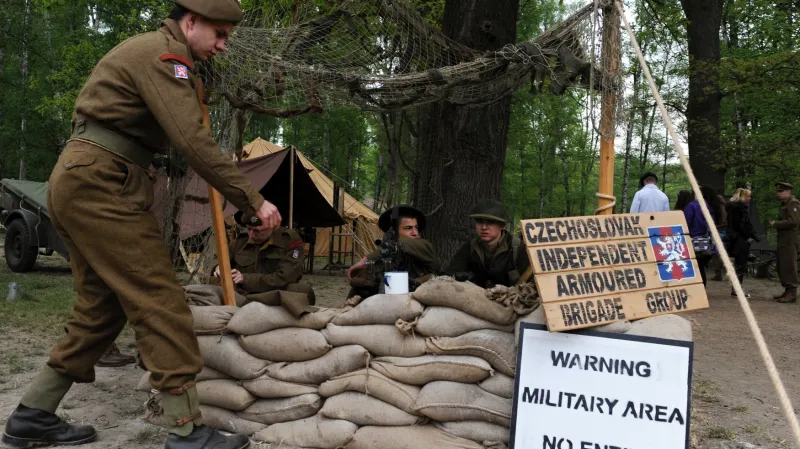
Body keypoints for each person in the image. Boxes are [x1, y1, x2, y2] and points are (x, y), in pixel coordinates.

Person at [2, 1, 279, 448]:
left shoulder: (157, 53)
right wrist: (253, 199)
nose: (223, 46)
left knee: (102, 306)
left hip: (85, 179)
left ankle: (32, 413)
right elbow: (192, 139)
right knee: (160, 299)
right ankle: (186, 433)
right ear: (191, 22)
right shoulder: (164, 56)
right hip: (101, 184)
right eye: (220, 34)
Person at [211, 218, 315, 304]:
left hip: (272, 293)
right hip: (241, 292)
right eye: (249, 229)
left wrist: (244, 278)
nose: (251, 235)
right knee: (213, 282)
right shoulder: (241, 240)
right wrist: (218, 267)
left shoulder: (289, 240)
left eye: (257, 230)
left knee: (302, 291)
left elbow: (285, 277)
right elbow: (219, 258)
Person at [347, 205, 439, 298]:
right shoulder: (388, 255)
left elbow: (401, 244)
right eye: (408, 228)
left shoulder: (424, 246)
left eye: (416, 227)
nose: (415, 233)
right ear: (394, 232)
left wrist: (367, 258)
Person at [445, 199, 530, 288]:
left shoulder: (518, 248)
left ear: (502, 225)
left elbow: (533, 283)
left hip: (510, 300)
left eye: (491, 222)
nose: (484, 227)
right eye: (480, 222)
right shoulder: (469, 248)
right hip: (475, 299)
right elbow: (449, 275)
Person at [683, 185, 722, 286]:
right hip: (709, 244)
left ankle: (698, 294)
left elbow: (685, 224)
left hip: (694, 242)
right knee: (701, 269)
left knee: (695, 270)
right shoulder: (712, 207)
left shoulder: (692, 206)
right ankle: (702, 291)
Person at [769, 182, 800, 303]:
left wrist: (776, 224)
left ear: (788, 191)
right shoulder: (784, 204)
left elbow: (794, 222)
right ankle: (787, 290)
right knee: (783, 265)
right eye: (777, 191)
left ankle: (792, 293)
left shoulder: (793, 203)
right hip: (784, 238)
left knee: (789, 265)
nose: (779, 193)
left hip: (790, 239)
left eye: (781, 191)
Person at [727, 188, 759, 298]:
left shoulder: (735, 208)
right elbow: (742, 226)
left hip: (736, 240)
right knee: (740, 265)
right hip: (740, 241)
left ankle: (736, 289)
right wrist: (749, 236)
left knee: (738, 265)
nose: (750, 198)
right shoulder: (738, 209)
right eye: (748, 196)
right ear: (743, 197)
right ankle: (737, 290)